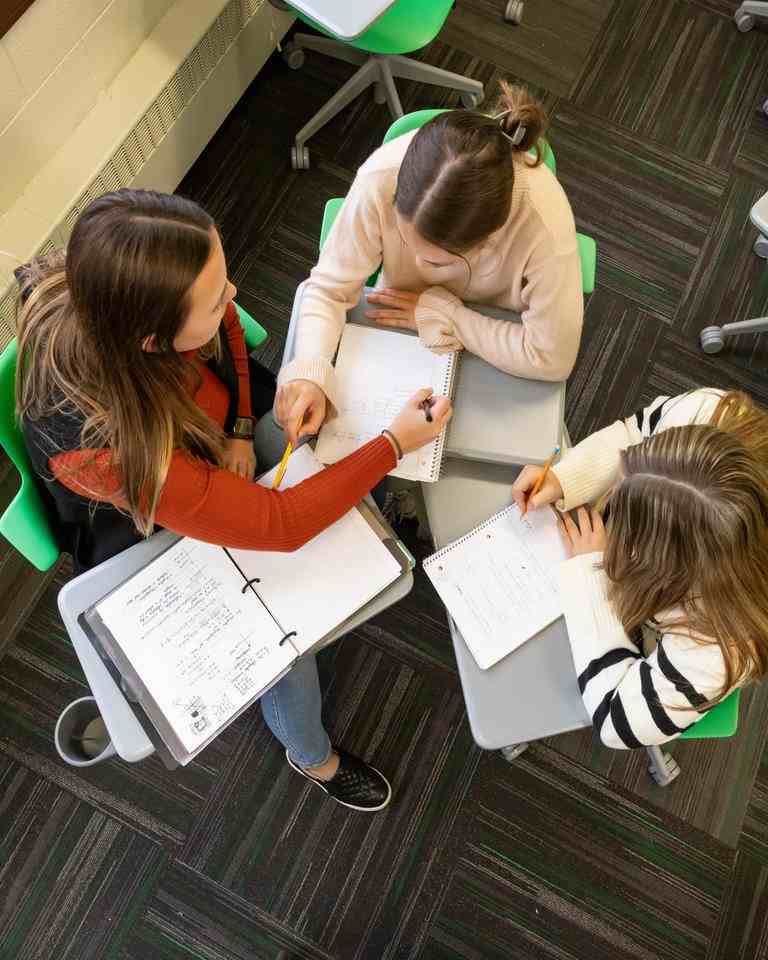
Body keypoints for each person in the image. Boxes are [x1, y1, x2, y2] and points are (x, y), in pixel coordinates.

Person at [16, 188, 452, 811]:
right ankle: (312, 756)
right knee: (281, 647)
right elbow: (281, 523)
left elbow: (230, 338)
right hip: (147, 527)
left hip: (208, 436)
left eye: (223, 279)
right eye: (216, 292)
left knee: (326, 436)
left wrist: (244, 427)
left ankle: (361, 515)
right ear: (152, 339)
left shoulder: (139, 292)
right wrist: (391, 444)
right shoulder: (107, 444)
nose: (234, 297)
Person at [276, 82, 582, 447]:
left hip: (493, 338)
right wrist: (310, 369)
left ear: (487, 239)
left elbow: (552, 357)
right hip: (403, 330)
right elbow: (327, 289)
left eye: (435, 261)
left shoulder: (545, 226)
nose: (417, 262)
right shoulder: (379, 179)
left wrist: (450, 317)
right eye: (405, 241)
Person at [512, 389, 768, 749]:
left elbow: (615, 722)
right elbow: (636, 432)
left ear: (666, 561)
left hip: (643, 625)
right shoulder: (709, 412)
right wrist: (565, 478)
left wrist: (590, 573)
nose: (613, 495)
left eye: (632, 527)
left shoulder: (719, 647)